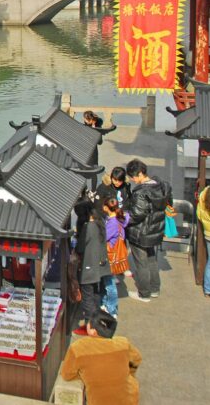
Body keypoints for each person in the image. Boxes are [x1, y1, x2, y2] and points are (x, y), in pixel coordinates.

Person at [60, 313, 142, 405]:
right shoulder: (123, 343)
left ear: (93, 331)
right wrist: (126, 372)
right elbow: (137, 359)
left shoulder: (78, 348)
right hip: (130, 400)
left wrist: (85, 374)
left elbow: (66, 375)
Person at [124, 159, 172, 302]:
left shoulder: (141, 192)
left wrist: (122, 218)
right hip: (154, 230)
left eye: (133, 177)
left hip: (140, 232)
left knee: (141, 263)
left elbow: (137, 214)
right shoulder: (161, 186)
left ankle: (144, 294)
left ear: (140, 174)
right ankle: (155, 289)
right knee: (151, 259)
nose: (132, 180)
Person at [75, 200, 110, 332]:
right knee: (95, 294)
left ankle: (90, 326)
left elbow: (80, 247)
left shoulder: (88, 227)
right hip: (99, 266)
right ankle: (96, 322)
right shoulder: (100, 222)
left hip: (88, 267)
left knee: (87, 297)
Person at [102, 197, 129, 316]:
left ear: (106, 208)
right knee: (109, 281)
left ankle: (112, 309)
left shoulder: (112, 223)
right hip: (115, 254)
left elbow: (104, 237)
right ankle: (107, 305)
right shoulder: (121, 217)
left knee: (109, 284)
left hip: (110, 255)